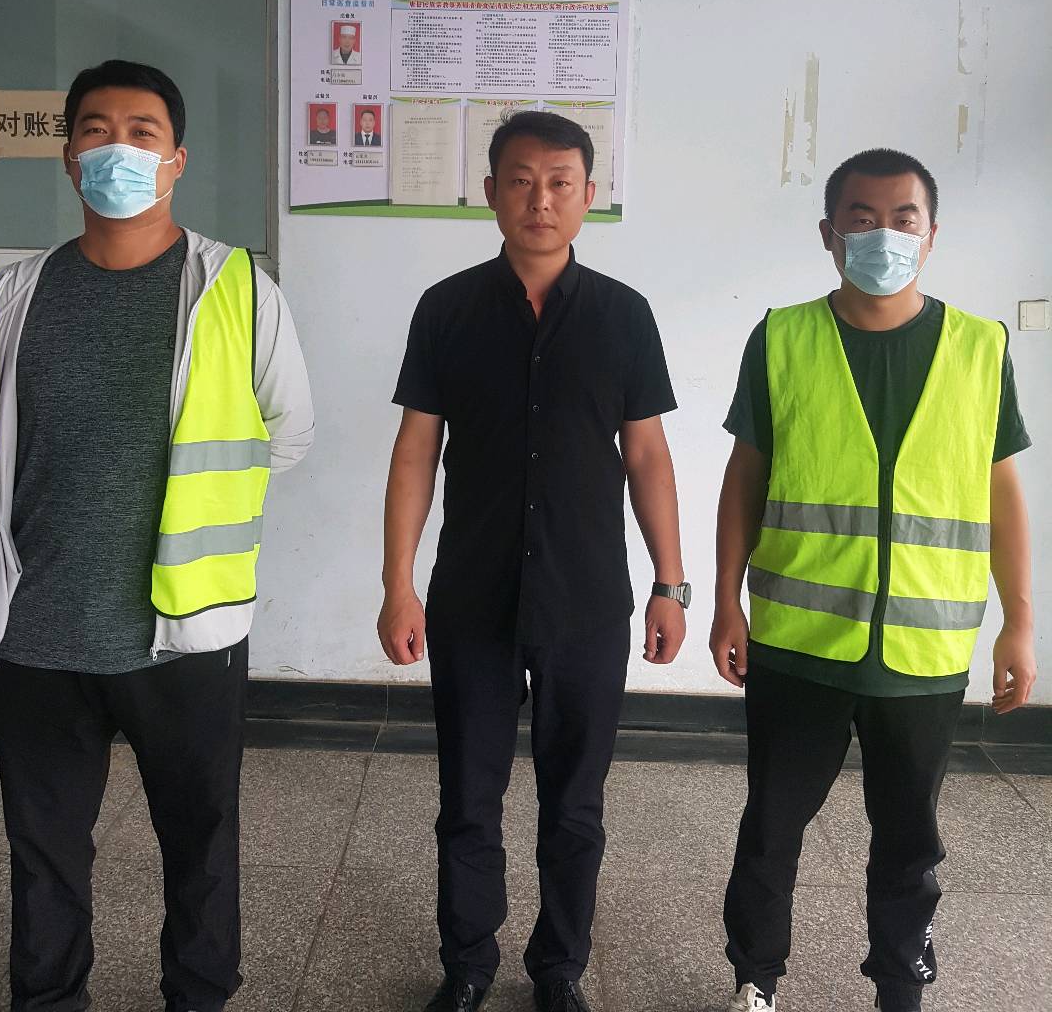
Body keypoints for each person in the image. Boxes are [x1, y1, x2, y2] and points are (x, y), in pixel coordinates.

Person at [0, 59, 314, 1012]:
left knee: (202, 843)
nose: (116, 148)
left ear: (177, 160)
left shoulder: (235, 289)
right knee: (42, 851)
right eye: (94, 130)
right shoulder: (7, 296)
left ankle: (197, 998)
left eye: (141, 132)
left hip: (184, 629)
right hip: (36, 633)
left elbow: (288, 432)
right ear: (67, 156)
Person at [709, 147, 1035, 1012]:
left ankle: (899, 988)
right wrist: (724, 601)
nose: (882, 234)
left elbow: (1002, 492)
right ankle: (755, 981)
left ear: (931, 236)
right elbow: (745, 478)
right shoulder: (782, 337)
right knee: (771, 829)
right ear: (829, 233)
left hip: (925, 654)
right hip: (799, 644)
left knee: (909, 843)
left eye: (902, 219)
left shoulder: (979, 347)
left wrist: (1020, 621)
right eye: (862, 218)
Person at [379, 109, 687, 1012]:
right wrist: (398, 584)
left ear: (589, 196)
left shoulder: (624, 315)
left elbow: (648, 456)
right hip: (471, 596)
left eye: (559, 183)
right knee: (467, 799)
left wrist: (670, 585)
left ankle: (559, 969)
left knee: (575, 804)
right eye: (520, 181)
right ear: (490, 193)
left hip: (587, 600)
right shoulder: (446, 308)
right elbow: (415, 451)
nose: (539, 200)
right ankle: (468, 964)